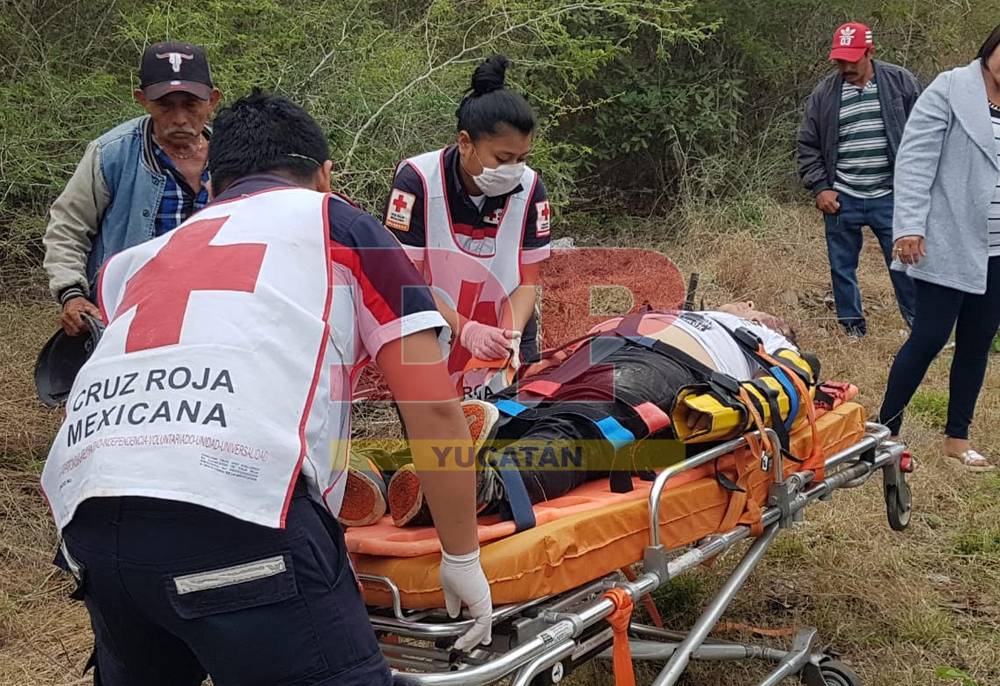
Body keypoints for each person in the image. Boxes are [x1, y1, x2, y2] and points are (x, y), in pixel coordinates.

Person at [39, 91, 493, 686]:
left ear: (214, 183)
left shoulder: (137, 261)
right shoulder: (342, 227)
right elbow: (434, 410)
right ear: (325, 175)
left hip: (93, 524)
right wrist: (461, 554)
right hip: (239, 516)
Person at [382, 304, 822, 527]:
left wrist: (723, 412)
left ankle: (485, 487)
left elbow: (794, 386)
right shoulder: (694, 311)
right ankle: (389, 479)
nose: (746, 305)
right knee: (515, 408)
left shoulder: (764, 340)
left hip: (675, 369)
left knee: (587, 425)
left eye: (758, 310)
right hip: (602, 350)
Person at [383, 55, 551, 398]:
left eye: (522, 159)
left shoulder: (531, 189)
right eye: (502, 159)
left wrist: (509, 339)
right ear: (465, 143)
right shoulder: (416, 182)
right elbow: (407, 279)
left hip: (505, 322)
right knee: (436, 437)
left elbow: (527, 281)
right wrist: (466, 329)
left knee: (509, 431)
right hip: (430, 325)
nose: (513, 169)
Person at [878, 24, 1000, 472]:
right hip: (947, 238)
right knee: (929, 336)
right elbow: (914, 161)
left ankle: (956, 438)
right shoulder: (950, 88)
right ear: (991, 46)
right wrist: (908, 225)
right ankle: (885, 430)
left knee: (977, 342)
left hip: (996, 249)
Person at [43, 41, 220, 337]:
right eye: (165, 105)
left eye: (190, 105)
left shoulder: (233, 158)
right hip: (126, 312)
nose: (179, 119)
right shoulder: (112, 153)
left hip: (211, 311)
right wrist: (72, 294)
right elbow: (67, 227)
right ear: (142, 100)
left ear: (212, 101)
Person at [797, 22, 920, 337]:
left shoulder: (900, 83)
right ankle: (853, 330)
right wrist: (821, 187)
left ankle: (919, 328)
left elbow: (926, 135)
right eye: (840, 60)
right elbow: (807, 145)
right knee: (842, 267)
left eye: (853, 58)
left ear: (870, 51)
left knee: (906, 265)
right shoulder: (824, 94)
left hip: (891, 194)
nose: (846, 66)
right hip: (843, 197)